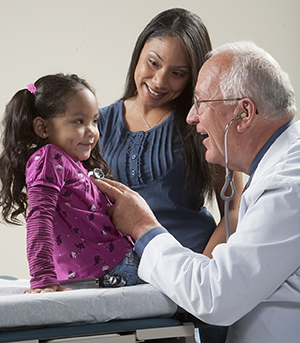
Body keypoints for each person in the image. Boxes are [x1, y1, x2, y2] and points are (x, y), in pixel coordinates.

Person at [92, 41, 300, 343]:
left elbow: (217, 295)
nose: (191, 117)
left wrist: (143, 228)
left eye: (201, 103)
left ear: (243, 113)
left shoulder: (287, 187)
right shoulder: (279, 167)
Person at [98, 7, 242, 258]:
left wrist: (201, 271)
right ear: (138, 53)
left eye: (177, 74)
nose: (159, 82)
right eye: (153, 63)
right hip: (116, 275)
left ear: (192, 77)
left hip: (189, 267)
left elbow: (234, 211)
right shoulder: (96, 124)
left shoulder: (206, 124)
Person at [0, 74, 142, 293]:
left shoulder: (69, 163)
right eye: (79, 121)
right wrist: (43, 277)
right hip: (113, 270)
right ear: (42, 128)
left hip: (117, 265)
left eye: (94, 121)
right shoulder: (48, 158)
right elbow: (39, 216)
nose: (92, 131)